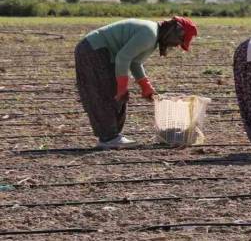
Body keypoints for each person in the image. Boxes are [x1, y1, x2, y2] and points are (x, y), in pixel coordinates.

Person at [74, 17, 198, 149]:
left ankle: (112, 136)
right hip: (94, 49)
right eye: (179, 41)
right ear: (175, 31)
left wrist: (146, 87)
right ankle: (108, 138)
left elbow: (135, 62)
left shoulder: (152, 36)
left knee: (113, 93)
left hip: (100, 50)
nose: (176, 45)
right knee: (107, 93)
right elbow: (123, 58)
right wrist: (122, 87)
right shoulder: (149, 34)